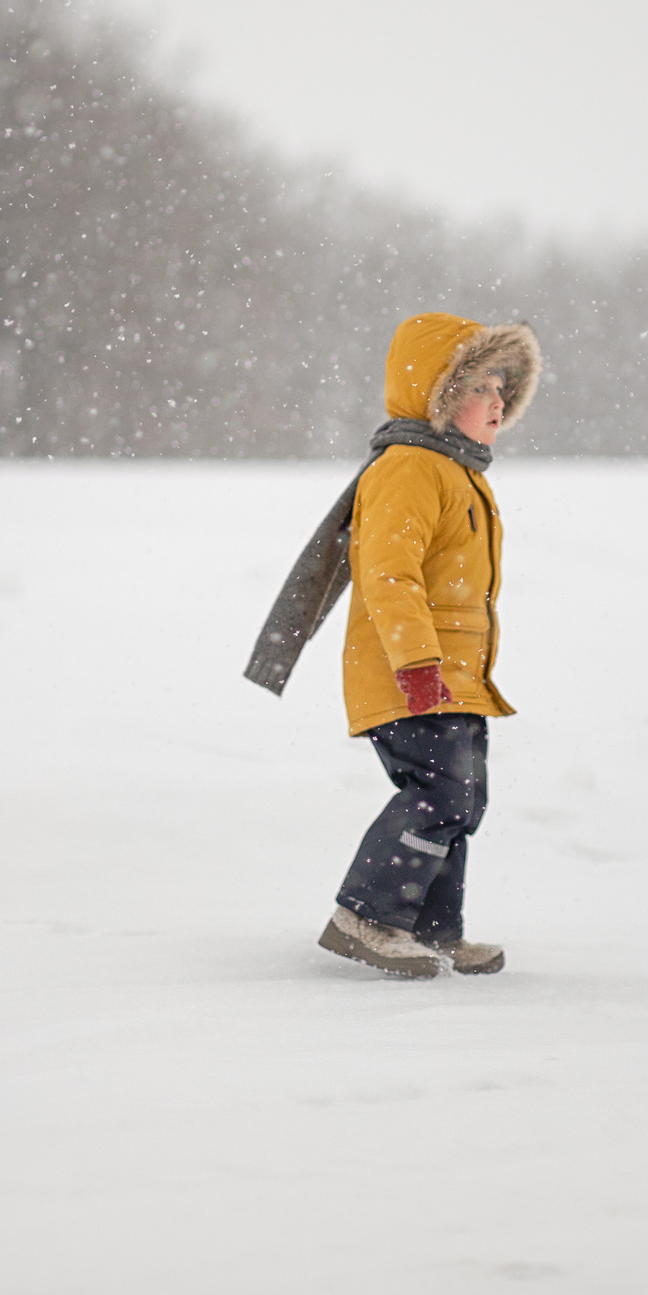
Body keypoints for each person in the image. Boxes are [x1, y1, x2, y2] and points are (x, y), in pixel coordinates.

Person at [242, 312, 542, 978]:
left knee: (462, 801)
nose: (496, 401)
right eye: (478, 387)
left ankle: (431, 929)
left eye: (501, 388)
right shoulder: (410, 468)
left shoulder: (458, 471)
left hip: (455, 676)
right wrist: (416, 661)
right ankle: (365, 918)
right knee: (439, 793)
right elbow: (388, 575)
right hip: (411, 672)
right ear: (438, 394)